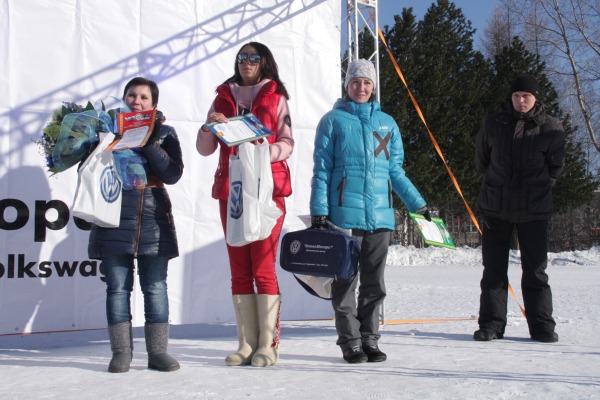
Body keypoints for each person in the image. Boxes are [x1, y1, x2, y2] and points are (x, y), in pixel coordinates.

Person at [309, 59, 430, 363]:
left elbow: (395, 172)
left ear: (374, 86)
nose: (360, 88)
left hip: (380, 217)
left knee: (375, 283)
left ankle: (369, 339)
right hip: (344, 217)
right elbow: (322, 169)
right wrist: (319, 211)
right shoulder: (332, 121)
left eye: (366, 83)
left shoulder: (387, 123)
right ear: (346, 86)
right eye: (355, 82)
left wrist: (418, 204)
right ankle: (350, 341)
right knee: (346, 283)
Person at [196, 42, 293, 367]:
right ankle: (245, 344)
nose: (246, 62)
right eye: (242, 58)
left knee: (262, 267)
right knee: (239, 269)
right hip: (232, 190)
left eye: (253, 57)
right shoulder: (223, 96)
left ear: (264, 62)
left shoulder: (276, 97)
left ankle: (268, 344)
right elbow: (205, 149)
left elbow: (287, 143)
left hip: (267, 190)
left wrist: (261, 147)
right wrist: (209, 127)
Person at [88, 77, 184, 372]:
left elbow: (172, 173)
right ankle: (121, 352)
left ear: (153, 104)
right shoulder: (106, 130)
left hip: (154, 219)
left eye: (144, 97)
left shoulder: (165, 132)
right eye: (131, 95)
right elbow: (89, 169)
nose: (136, 101)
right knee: (117, 288)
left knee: (155, 287)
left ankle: (157, 352)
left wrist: (150, 140)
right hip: (113, 215)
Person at [474, 74, 566, 343]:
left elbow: (555, 167)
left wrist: (536, 189)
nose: (521, 100)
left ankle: (541, 326)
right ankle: (491, 325)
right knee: (493, 270)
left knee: (536, 271)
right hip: (496, 207)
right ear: (510, 98)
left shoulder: (551, 127)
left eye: (526, 96)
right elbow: (482, 161)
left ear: (536, 98)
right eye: (516, 96)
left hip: (534, 210)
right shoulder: (494, 123)